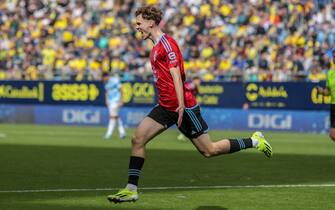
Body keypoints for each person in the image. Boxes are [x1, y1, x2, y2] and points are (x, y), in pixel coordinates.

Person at [107, 6, 273, 203]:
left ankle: (254, 140)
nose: (137, 27)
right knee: (137, 139)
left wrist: (181, 106)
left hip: (182, 107)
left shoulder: (167, 44)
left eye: (139, 23)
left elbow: (177, 75)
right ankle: (131, 189)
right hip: (165, 107)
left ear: (150, 23)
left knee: (209, 150)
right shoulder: (156, 46)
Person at [316, 50, 335, 141]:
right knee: (332, 135)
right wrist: (321, 91)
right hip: (333, 105)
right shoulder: (330, 73)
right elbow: (328, 92)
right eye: (334, 56)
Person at [103, 72, 126, 139]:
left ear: (106, 76)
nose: (103, 79)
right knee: (116, 117)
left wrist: (121, 100)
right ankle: (122, 133)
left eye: (104, 78)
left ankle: (108, 134)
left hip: (116, 101)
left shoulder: (115, 80)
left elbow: (121, 90)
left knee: (112, 117)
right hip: (110, 101)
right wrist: (106, 100)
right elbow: (107, 92)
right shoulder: (105, 82)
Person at [177, 75, 201, 141]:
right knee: (188, 121)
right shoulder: (192, 85)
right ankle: (186, 134)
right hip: (186, 106)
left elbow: (194, 97)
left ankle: (186, 134)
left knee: (188, 121)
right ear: (194, 80)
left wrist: (197, 105)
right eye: (198, 81)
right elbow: (184, 90)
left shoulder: (196, 88)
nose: (199, 82)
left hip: (190, 106)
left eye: (199, 81)